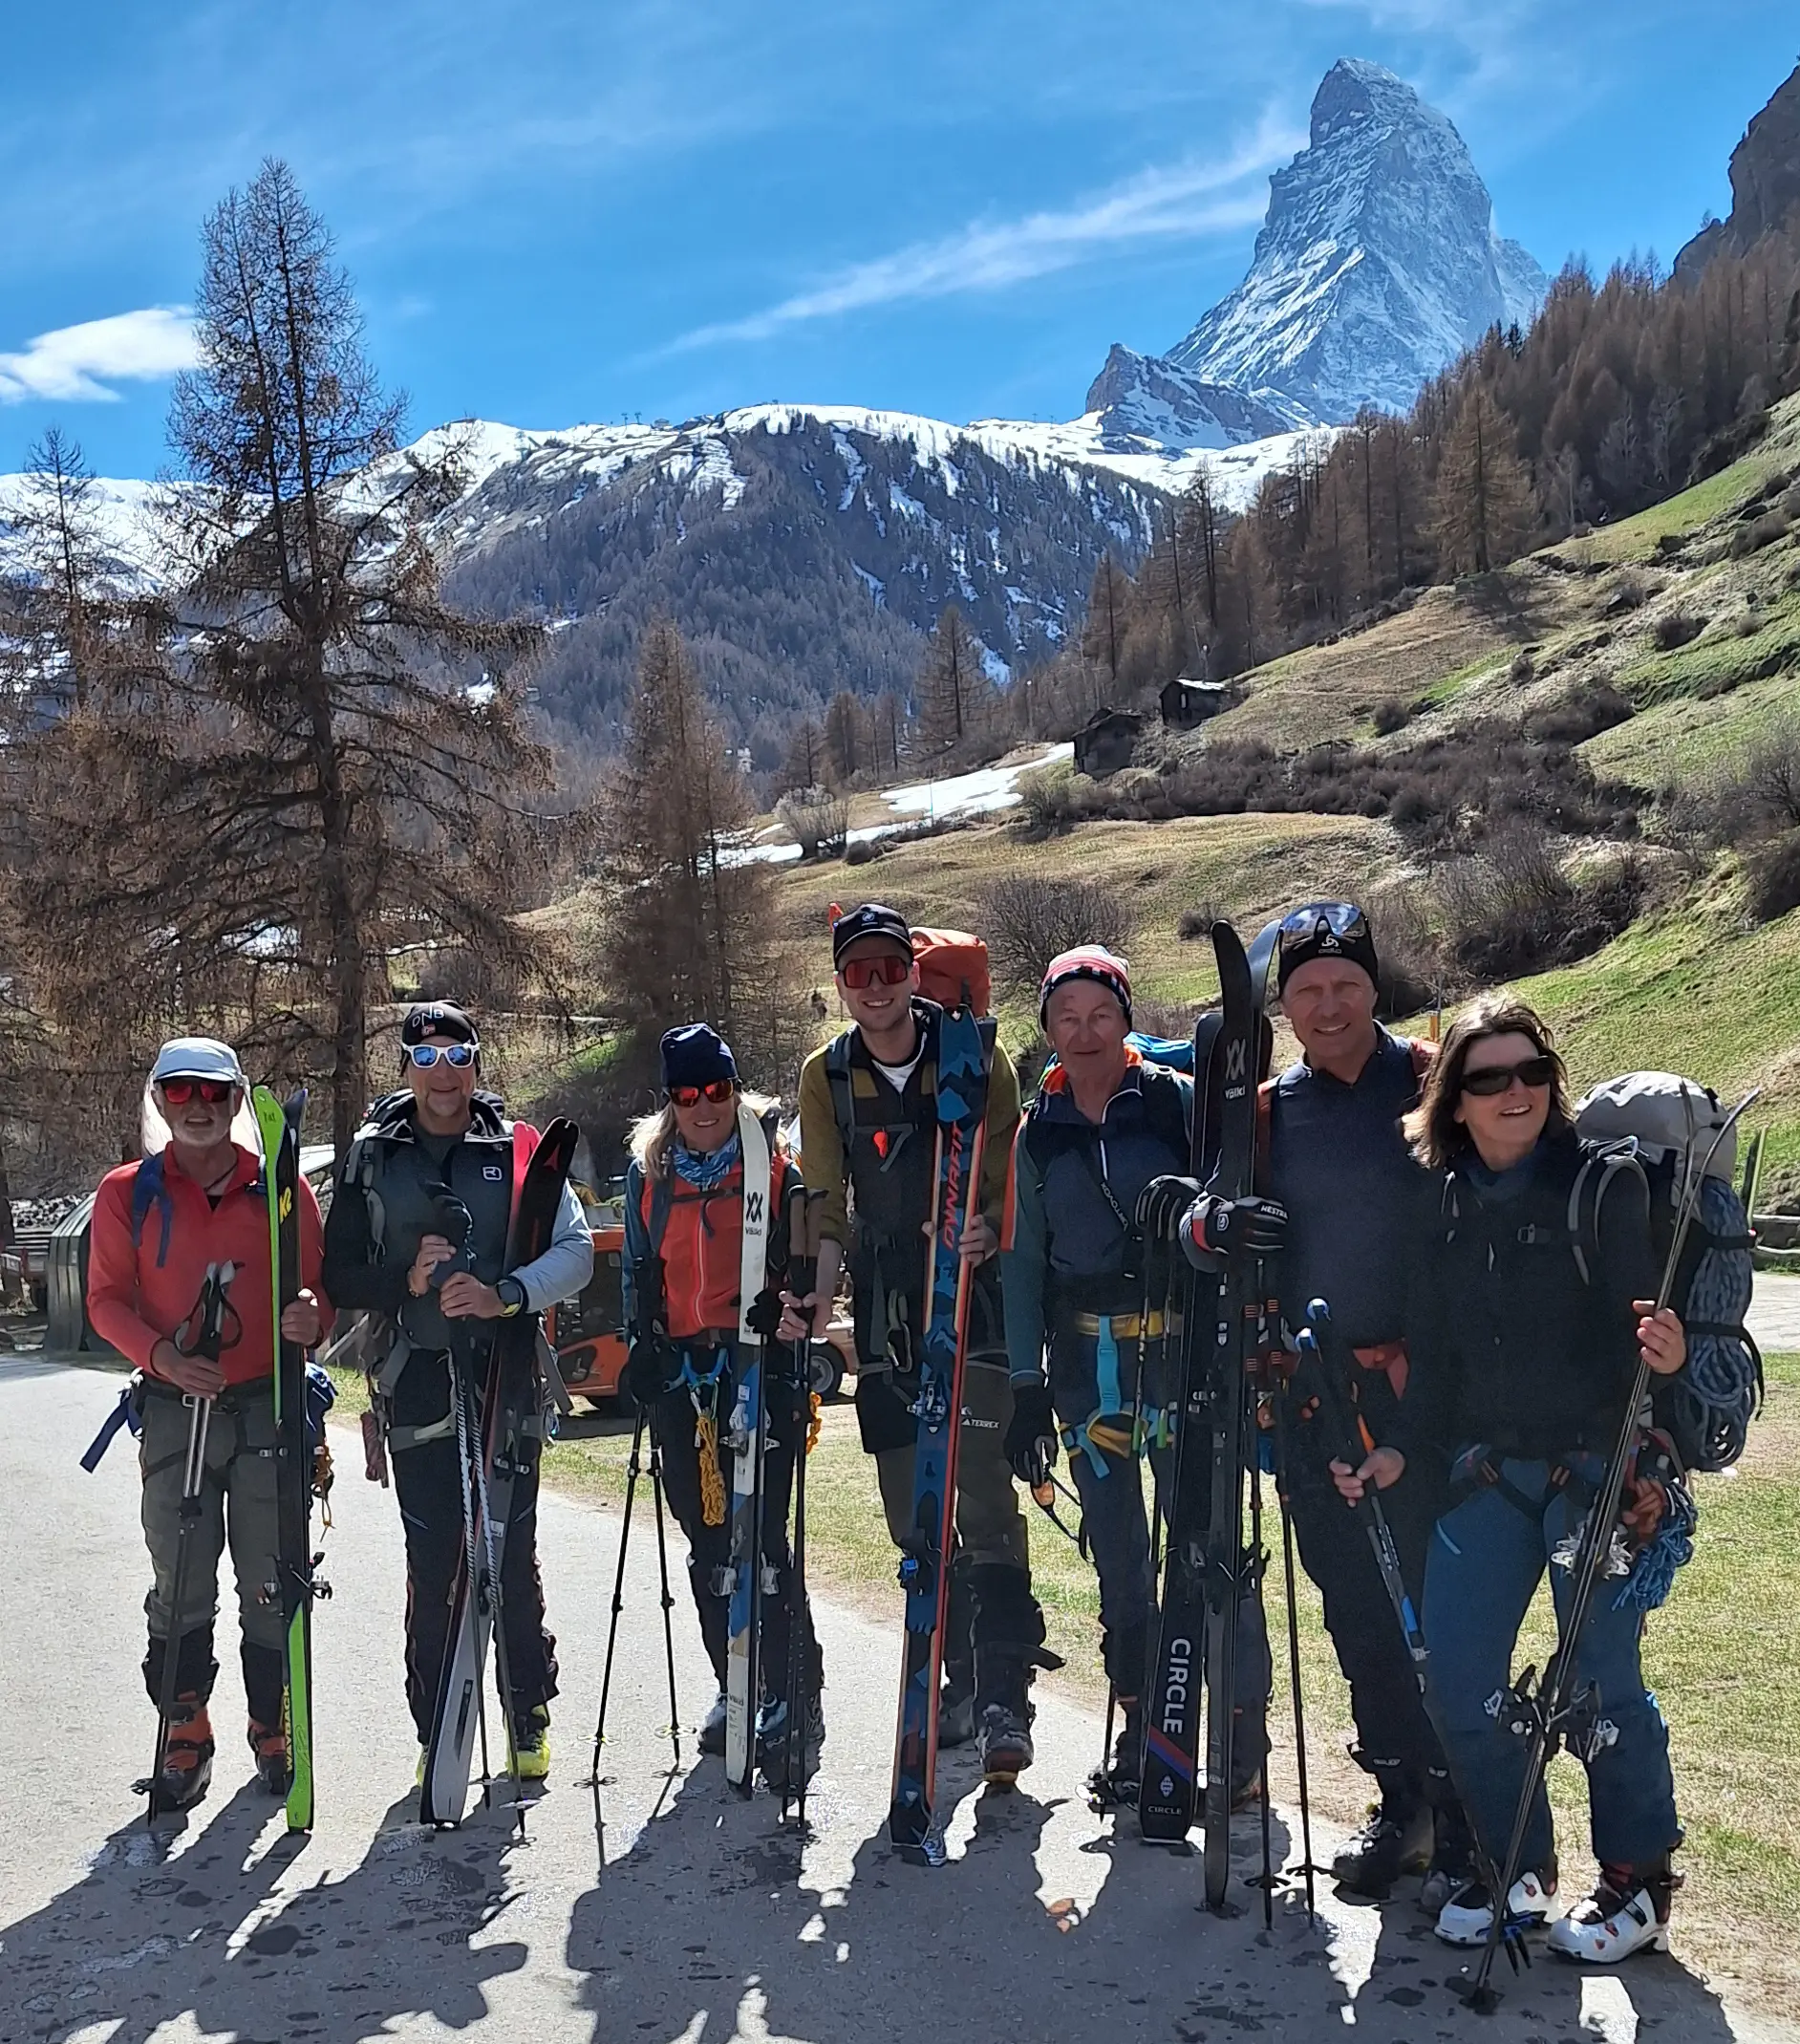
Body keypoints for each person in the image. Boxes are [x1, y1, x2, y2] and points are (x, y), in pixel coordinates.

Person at [1335, 996, 1688, 1960]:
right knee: (1457, 1680)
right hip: (1487, 1475)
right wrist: (1400, 1446)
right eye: (1489, 1078)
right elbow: (1434, 1359)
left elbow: (1644, 1346)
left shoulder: (1604, 1187)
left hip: (1596, 1475)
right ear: (1454, 1100)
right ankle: (1515, 1866)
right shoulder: (1440, 1204)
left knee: (1603, 1681)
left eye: (1532, 1071)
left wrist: (1665, 1361)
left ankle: (1639, 1885)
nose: (1515, 1091)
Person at [1140, 902, 1474, 1906]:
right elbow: (1202, 1216)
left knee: (1448, 1614)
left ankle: (1473, 1819)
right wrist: (1213, 1229)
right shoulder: (1263, 1111)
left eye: (1346, 985)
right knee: (1357, 1614)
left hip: (1433, 1399)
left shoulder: (1437, 1080)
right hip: (1313, 1401)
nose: (1328, 1007)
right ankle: (1404, 1806)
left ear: (1375, 988)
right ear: (1282, 1006)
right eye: (1307, 991)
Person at [782, 903, 1051, 1783]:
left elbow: (1007, 1169)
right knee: (913, 1514)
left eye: (889, 969)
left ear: (911, 972)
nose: (876, 987)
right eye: (857, 973)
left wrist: (986, 1226)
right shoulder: (827, 1075)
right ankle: (957, 1680)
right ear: (840, 984)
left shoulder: (975, 1054)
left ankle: (1004, 1696)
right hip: (887, 1310)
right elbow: (825, 1202)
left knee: (983, 1500)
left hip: (975, 1299)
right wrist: (817, 1297)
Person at [1002, 945, 1269, 1809]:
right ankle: (1145, 1730)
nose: (1084, 1033)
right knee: (1119, 1557)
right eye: (1066, 1017)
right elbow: (1020, 1264)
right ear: (1047, 1028)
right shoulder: (1036, 1132)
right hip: (1087, 1372)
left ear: (1126, 1019)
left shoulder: (1175, 1102)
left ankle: (1240, 1740)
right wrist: (1026, 1388)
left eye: (1100, 1015)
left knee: (1211, 1544)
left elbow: (1228, 1192)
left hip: (1182, 1357)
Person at [322, 1001, 593, 1782]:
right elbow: (338, 1274)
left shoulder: (519, 1148)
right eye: (426, 1058)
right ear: (406, 1067)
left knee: (509, 1549)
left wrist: (504, 1293)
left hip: (505, 1380)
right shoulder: (372, 1156)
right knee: (435, 1557)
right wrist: (404, 1281)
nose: (443, 1073)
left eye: (457, 1055)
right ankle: (436, 1728)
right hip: (414, 1382)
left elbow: (575, 1252)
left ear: (477, 1061)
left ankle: (527, 1715)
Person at [86, 1036, 328, 1811]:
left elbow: (316, 1291)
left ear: (237, 1101)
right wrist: (162, 1356)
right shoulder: (128, 1192)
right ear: (159, 1099)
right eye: (181, 1091)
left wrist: (311, 1316)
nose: (198, 1106)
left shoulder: (281, 1189)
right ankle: (185, 1729)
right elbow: (104, 1300)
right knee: (181, 1575)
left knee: (270, 1576)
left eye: (215, 1092)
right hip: (173, 1411)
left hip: (267, 1407)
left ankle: (272, 1722)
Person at [620, 1023, 823, 1786]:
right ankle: (733, 1681)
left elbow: (808, 1265)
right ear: (670, 1099)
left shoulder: (775, 1166)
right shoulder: (649, 1176)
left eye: (717, 1090)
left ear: (735, 1090)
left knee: (763, 1542)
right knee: (708, 1545)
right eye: (688, 1093)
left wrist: (787, 1303)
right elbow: (637, 1268)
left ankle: (794, 1690)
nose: (704, 1106)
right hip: (684, 1379)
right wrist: (639, 1343)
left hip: (757, 1369)